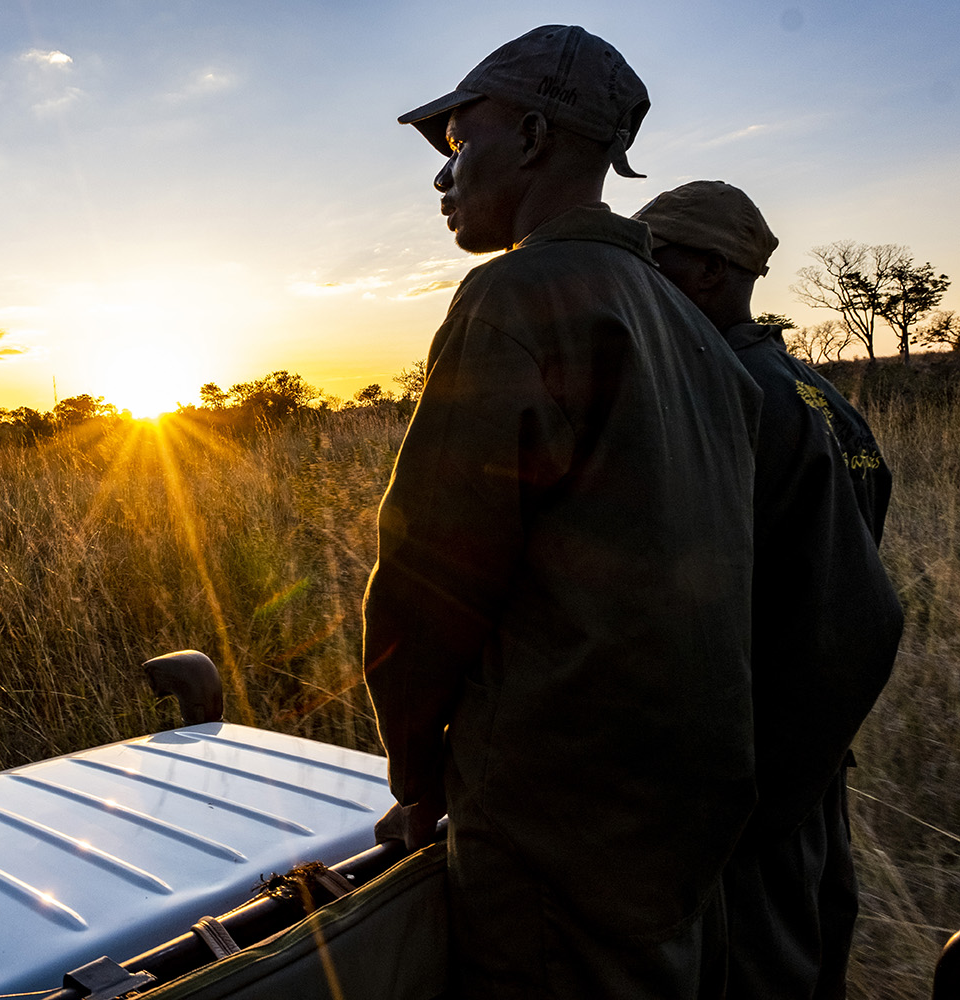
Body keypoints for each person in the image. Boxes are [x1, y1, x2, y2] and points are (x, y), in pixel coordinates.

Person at [364, 25, 765, 997]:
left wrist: (416, 777)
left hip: (554, 823)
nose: (443, 177)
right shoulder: (696, 332)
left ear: (535, 136)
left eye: (460, 143)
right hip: (680, 811)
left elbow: (427, 582)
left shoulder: (518, 295)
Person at [632, 180, 904, 999]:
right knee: (813, 940)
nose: (639, 286)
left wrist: (753, 796)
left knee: (756, 967)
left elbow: (858, 614)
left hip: (753, 780)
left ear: (710, 272)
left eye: (655, 264)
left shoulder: (728, 400)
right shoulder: (815, 393)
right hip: (808, 768)